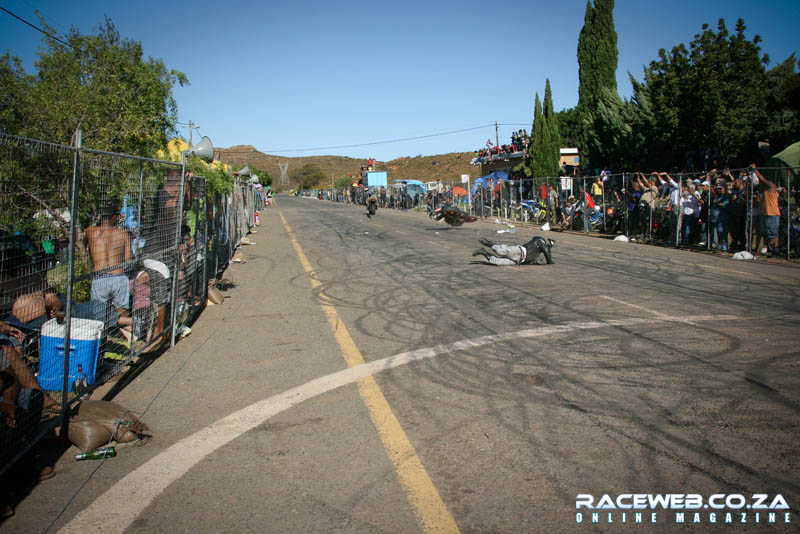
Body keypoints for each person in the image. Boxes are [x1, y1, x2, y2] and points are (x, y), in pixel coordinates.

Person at [87, 203, 132, 316]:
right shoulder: (123, 234)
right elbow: (128, 259)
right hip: (119, 277)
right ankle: (129, 325)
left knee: (99, 315)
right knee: (122, 313)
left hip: (100, 277)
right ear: (113, 217)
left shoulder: (90, 232)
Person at [751, 165, 780, 255]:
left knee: (773, 233)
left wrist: (755, 171)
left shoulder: (772, 187)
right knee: (765, 232)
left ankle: (776, 249)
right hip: (765, 213)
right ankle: (767, 248)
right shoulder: (765, 191)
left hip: (772, 213)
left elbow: (763, 180)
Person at [472, 236, 555, 266]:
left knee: (497, 262)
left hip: (519, 261)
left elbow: (546, 250)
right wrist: (550, 261)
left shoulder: (538, 252)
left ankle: (483, 252)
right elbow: (547, 251)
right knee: (500, 251)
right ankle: (490, 243)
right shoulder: (539, 240)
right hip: (519, 251)